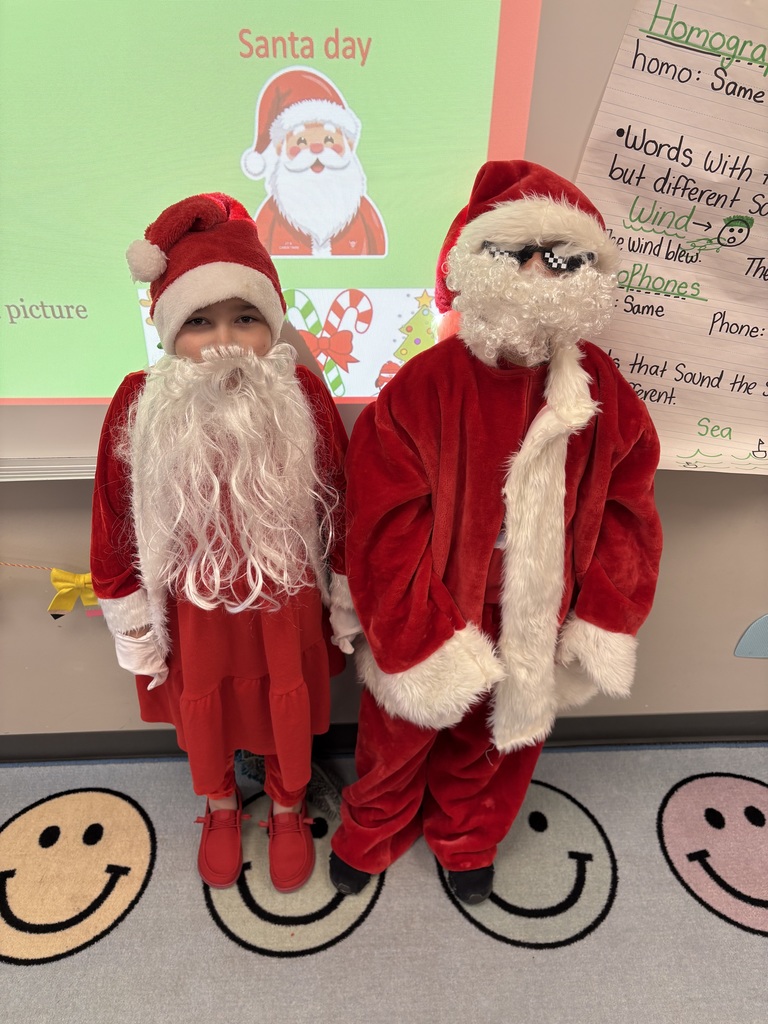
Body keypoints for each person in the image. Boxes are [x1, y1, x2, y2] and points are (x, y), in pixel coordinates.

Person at [329, 160, 663, 905]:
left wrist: (604, 612)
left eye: (565, 258)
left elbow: (629, 510)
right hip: (437, 605)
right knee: (398, 738)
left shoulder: (604, 393)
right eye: (521, 254)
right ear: (474, 264)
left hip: (541, 611)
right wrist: (419, 632)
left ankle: (468, 836)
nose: (542, 272)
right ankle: (374, 827)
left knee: (501, 744)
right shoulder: (424, 387)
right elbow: (381, 522)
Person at [90, 193, 358, 893]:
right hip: (194, 612)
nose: (225, 341)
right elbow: (111, 515)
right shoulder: (136, 402)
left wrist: (349, 592)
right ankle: (217, 806)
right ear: (170, 329)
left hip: (285, 603)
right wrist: (132, 621)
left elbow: (346, 496)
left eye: (246, 319)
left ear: (272, 325)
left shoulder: (299, 390)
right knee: (206, 709)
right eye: (200, 322)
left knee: (286, 703)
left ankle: (291, 805)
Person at [241, 66, 387, 257]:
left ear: (349, 145)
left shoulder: (363, 214)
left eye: (328, 140)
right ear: (280, 150)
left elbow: (379, 248)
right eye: (301, 141)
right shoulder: (270, 218)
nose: (316, 149)